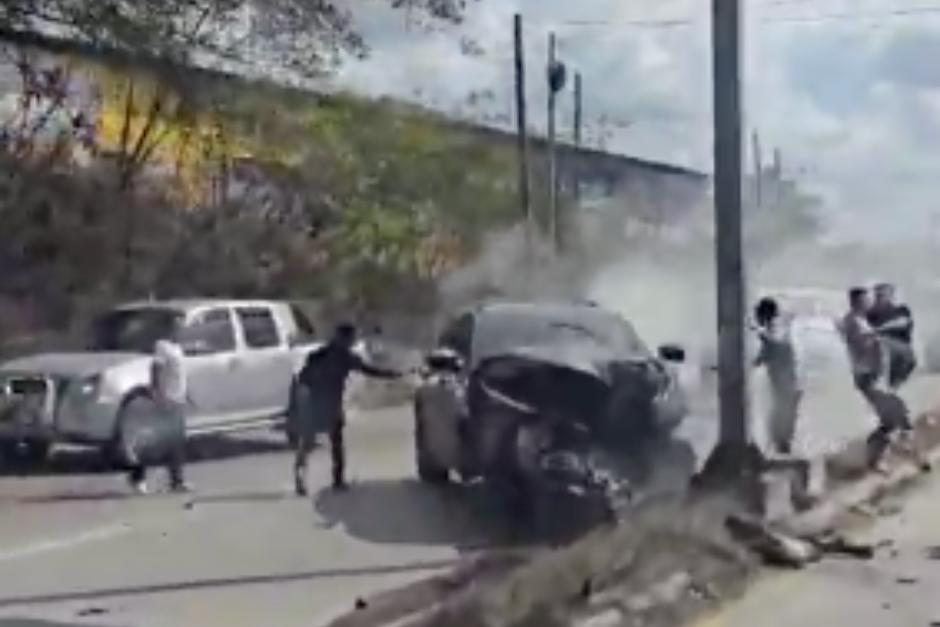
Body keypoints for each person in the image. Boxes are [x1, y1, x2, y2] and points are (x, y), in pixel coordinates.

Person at [294, 322, 402, 496]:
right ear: (345, 338)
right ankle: (337, 480)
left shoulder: (319, 354)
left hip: (316, 402)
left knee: (309, 442)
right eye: (351, 338)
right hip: (330, 403)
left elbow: (302, 378)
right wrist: (392, 374)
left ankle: (301, 477)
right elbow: (369, 370)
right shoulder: (345, 356)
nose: (353, 342)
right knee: (335, 442)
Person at [840, 287, 928, 473]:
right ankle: (911, 456)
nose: (870, 303)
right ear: (857, 302)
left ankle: (879, 456)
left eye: (869, 300)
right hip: (868, 379)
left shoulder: (862, 320)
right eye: (866, 300)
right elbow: (867, 338)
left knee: (892, 419)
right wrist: (883, 332)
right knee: (899, 413)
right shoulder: (853, 322)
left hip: (876, 377)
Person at [127, 335, 190, 494]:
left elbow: (179, 374)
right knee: (153, 441)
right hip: (165, 399)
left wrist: (186, 395)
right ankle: (137, 477)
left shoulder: (177, 347)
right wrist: (157, 394)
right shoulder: (162, 346)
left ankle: (177, 481)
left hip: (177, 400)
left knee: (176, 443)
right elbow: (155, 369)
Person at [753, 297, 802, 455]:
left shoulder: (776, 330)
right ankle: (782, 452)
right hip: (785, 385)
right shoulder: (773, 331)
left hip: (788, 385)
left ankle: (783, 453)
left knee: (780, 426)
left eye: (758, 316)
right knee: (777, 426)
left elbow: (777, 344)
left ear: (765, 315)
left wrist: (761, 334)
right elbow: (759, 359)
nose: (757, 320)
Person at [867, 282, 917, 390]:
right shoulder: (870, 313)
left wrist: (879, 329)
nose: (879, 298)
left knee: (908, 362)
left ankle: (893, 386)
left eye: (882, 295)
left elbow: (902, 322)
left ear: (891, 296)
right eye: (877, 295)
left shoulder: (901, 310)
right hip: (881, 345)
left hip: (901, 346)